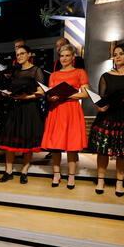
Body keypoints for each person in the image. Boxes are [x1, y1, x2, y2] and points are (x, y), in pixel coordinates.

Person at [88, 43, 124, 196]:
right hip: (108, 115)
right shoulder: (106, 76)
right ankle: (100, 180)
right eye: (115, 54)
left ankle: (119, 182)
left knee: (123, 151)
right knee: (103, 150)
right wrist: (100, 107)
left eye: (121, 53)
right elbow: (102, 99)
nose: (118, 57)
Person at [41, 44, 89, 189]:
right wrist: (51, 97)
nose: (64, 58)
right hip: (56, 109)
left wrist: (68, 94)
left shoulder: (80, 72)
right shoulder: (54, 75)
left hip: (72, 110)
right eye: (62, 56)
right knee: (56, 144)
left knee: (71, 144)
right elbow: (49, 95)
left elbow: (86, 94)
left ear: (73, 57)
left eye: (67, 55)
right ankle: (56, 173)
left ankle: (71, 176)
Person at [0, 45, 45, 184]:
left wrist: (26, 97)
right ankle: (8, 171)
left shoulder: (36, 70)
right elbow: (13, 88)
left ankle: (24, 171)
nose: (19, 56)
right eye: (17, 54)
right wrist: (6, 92)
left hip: (30, 109)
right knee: (10, 141)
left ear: (29, 54)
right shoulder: (16, 72)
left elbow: (41, 92)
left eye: (22, 53)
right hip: (15, 108)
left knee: (27, 141)